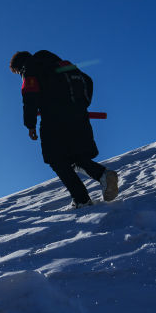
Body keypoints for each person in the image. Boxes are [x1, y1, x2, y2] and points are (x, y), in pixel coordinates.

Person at [10, 50, 119, 208]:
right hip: (79, 117)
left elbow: (29, 97)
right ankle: (103, 175)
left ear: (19, 66)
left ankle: (82, 200)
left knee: (56, 159)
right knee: (74, 157)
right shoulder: (62, 65)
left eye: (17, 72)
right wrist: (81, 106)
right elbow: (88, 81)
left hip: (54, 119)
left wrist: (30, 124)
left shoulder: (30, 68)